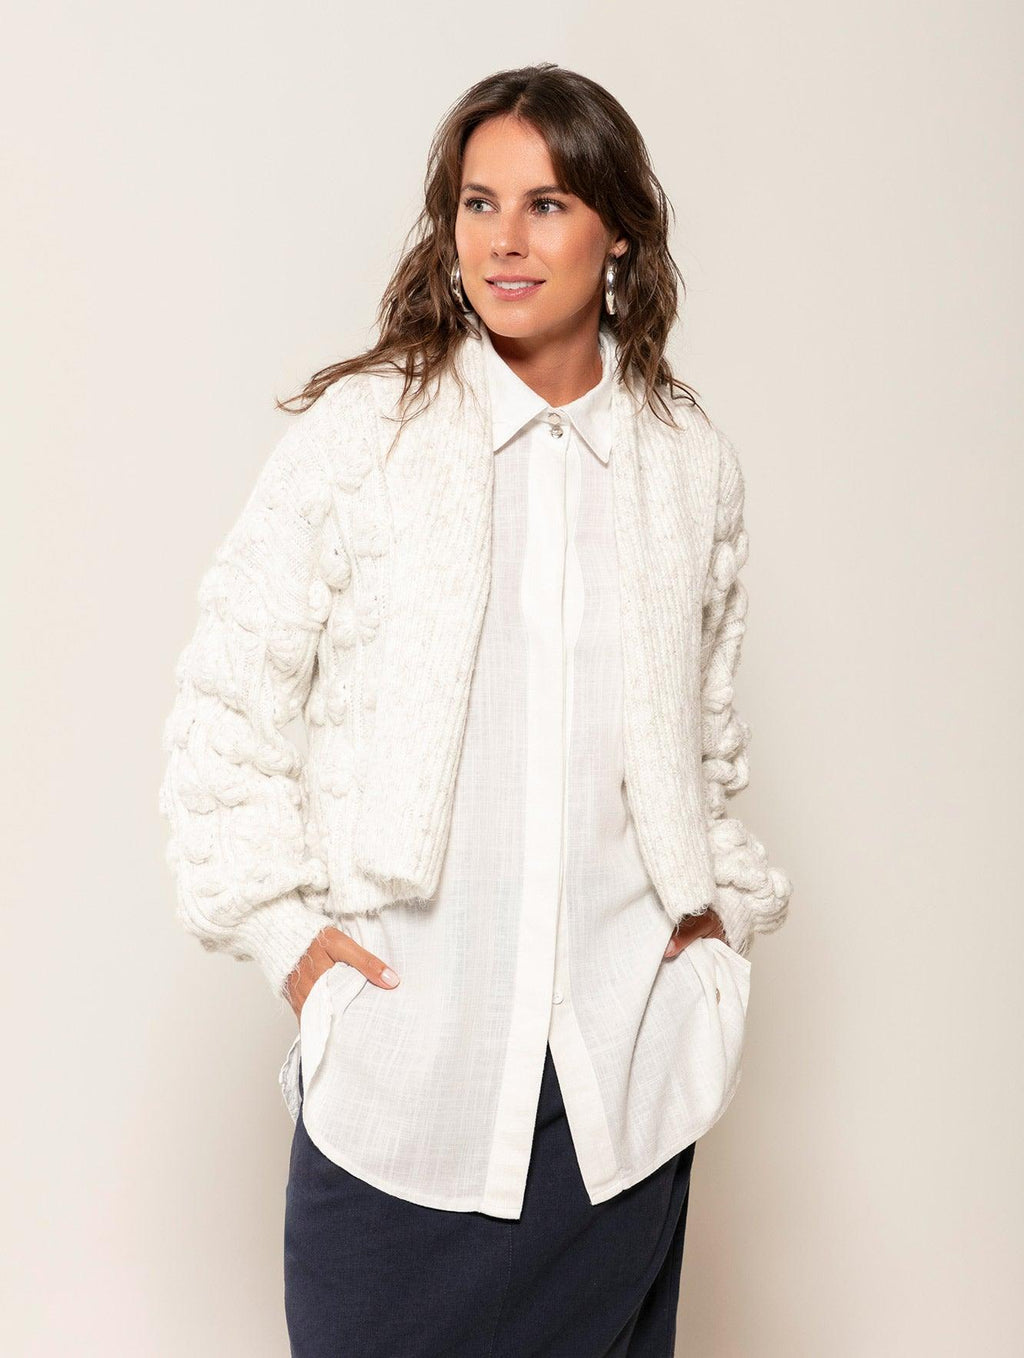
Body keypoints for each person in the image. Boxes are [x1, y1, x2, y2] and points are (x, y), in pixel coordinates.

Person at [159, 62, 792, 1358]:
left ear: (618, 232)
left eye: (547, 204)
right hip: (411, 1089)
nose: (505, 238)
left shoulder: (688, 465)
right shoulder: (367, 437)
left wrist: (711, 929)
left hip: (620, 1101)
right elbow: (229, 698)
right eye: (478, 202)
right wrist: (284, 933)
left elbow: (703, 739)